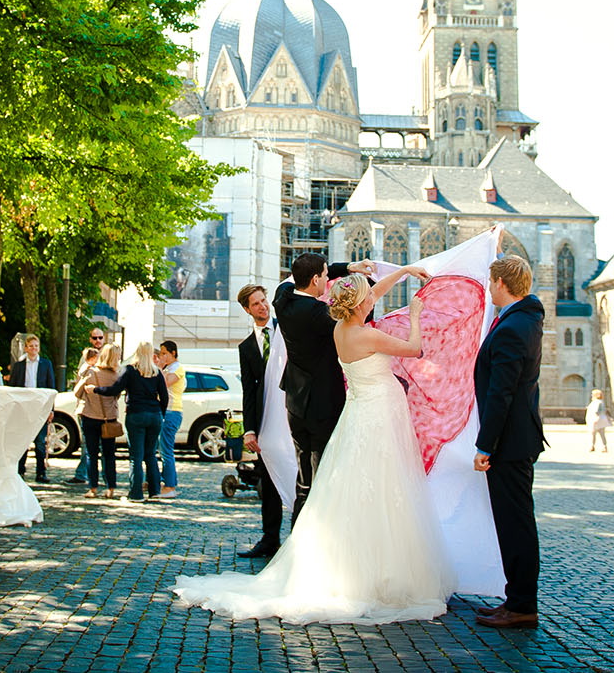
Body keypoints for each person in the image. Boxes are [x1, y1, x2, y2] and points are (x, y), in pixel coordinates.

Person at [173, 272, 453, 623]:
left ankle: (362, 565)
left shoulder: (341, 329)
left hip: (360, 416)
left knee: (353, 490)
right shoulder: (367, 334)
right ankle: (380, 572)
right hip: (379, 418)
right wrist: (414, 314)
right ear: (361, 304)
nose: (372, 300)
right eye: (369, 297)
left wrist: (401, 274)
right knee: (385, 487)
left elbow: (367, 296)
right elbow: (414, 349)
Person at [472, 254, 546, 630]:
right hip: (516, 439)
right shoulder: (521, 319)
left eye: (490, 281)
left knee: (515, 523)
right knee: (514, 521)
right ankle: (516, 598)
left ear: (502, 284)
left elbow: (501, 393)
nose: (488, 287)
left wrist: (485, 446)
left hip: (509, 443)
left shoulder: (515, 327)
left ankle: (521, 605)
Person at [273, 254, 379, 517]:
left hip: (295, 403)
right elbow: (360, 318)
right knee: (323, 477)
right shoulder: (321, 314)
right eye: (325, 274)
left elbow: (302, 277)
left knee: (304, 477)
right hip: (323, 402)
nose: (328, 278)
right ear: (315, 279)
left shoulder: (282, 298)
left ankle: (296, 537)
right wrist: (366, 281)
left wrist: (346, 268)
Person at [235, 283, 282, 559]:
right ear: (246, 309)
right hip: (265, 423)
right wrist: (249, 430)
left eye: (264, 301)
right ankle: (270, 538)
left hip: (293, 417)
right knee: (269, 479)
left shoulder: (286, 330)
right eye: (256, 303)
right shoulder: (246, 347)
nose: (263, 306)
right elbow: (249, 390)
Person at [94, 341, 169, 502]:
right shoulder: (156, 372)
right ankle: (155, 491)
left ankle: (136, 494)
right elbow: (165, 397)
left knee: (136, 456)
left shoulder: (130, 370)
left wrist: (95, 389)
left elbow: (115, 390)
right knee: (151, 455)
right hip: (154, 415)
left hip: (136, 414)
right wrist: (160, 414)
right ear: (151, 355)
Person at [74, 344, 120, 498]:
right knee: (109, 454)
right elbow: (117, 396)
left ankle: (93, 488)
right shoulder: (116, 375)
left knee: (92, 454)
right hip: (108, 418)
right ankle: (110, 487)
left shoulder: (91, 372)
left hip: (90, 416)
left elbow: (77, 393)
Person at [12, 333, 56, 482]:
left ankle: (41, 472)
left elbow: (51, 387)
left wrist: (51, 409)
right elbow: (13, 387)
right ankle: (20, 471)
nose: (34, 349)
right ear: (26, 348)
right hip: (23, 407)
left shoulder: (45, 364)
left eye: (36, 346)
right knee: (22, 440)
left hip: (40, 407)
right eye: (31, 346)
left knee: (40, 442)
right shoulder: (18, 365)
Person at [156, 340, 184, 498]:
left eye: (164, 353)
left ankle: (170, 486)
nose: (162, 356)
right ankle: (165, 480)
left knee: (166, 450)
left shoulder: (177, 368)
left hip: (172, 411)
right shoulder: (169, 368)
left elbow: (164, 384)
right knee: (163, 448)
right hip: (166, 410)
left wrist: (159, 368)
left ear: (173, 353)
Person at [586, 388, 610, 452]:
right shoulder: (600, 402)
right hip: (600, 419)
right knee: (602, 434)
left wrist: (596, 419)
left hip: (596, 419)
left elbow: (597, 411)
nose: (591, 395)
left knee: (593, 433)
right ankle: (604, 446)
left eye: (592, 394)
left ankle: (592, 446)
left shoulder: (597, 402)